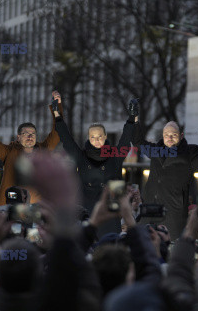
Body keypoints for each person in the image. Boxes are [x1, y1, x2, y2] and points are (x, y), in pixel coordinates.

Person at [53, 93, 138, 235]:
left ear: (105, 137)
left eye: (99, 136)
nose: (96, 140)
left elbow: (125, 140)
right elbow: (67, 140)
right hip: (86, 213)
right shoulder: (81, 157)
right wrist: (57, 115)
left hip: (109, 214)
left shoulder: (114, 157)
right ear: (88, 138)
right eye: (93, 137)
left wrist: (131, 119)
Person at [132, 118, 198, 240]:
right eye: (166, 135)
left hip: (173, 214)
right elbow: (137, 142)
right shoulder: (156, 150)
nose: (170, 138)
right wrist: (135, 120)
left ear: (181, 136)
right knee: (144, 247)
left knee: (170, 250)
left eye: (174, 135)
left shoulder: (189, 153)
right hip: (149, 211)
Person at [0, 93, 63, 206]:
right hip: (10, 206)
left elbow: (57, 133)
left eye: (32, 134)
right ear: (18, 137)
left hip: (37, 209)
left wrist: (57, 108)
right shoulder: (9, 152)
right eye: (25, 133)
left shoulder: (43, 150)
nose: (30, 137)